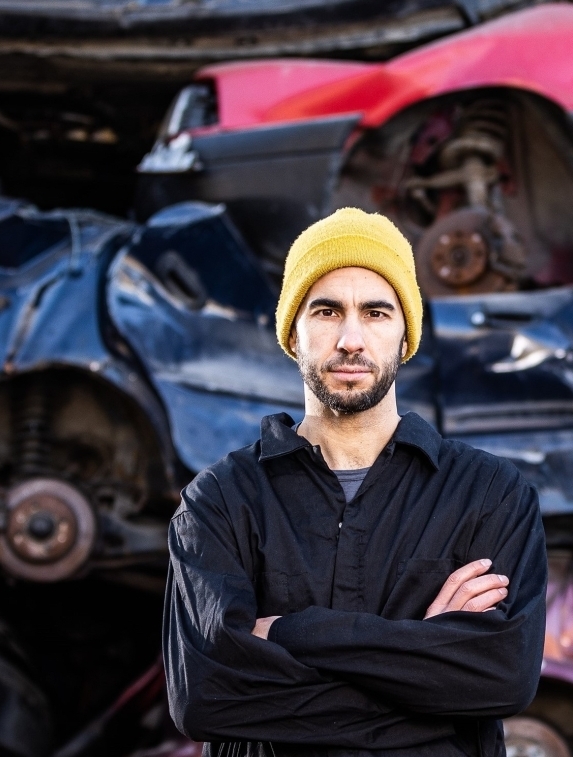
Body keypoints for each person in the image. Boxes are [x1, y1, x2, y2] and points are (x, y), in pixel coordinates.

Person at [162, 208, 547, 757]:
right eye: (326, 311)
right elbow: (207, 698)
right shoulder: (220, 501)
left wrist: (290, 632)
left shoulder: (488, 494)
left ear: (405, 333)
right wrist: (424, 657)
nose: (350, 339)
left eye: (375, 312)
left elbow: (503, 677)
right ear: (292, 332)